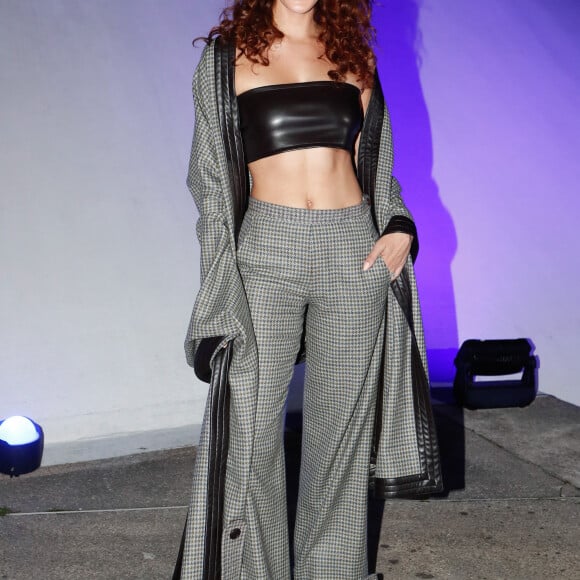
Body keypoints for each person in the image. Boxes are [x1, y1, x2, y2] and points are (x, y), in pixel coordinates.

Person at [177, 1, 443, 578]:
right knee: (246, 424)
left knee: (341, 433)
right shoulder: (227, 60)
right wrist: (218, 288)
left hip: (353, 249)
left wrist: (398, 224)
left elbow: (378, 163)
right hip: (267, 247)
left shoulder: (354, 56)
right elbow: (210, 183)